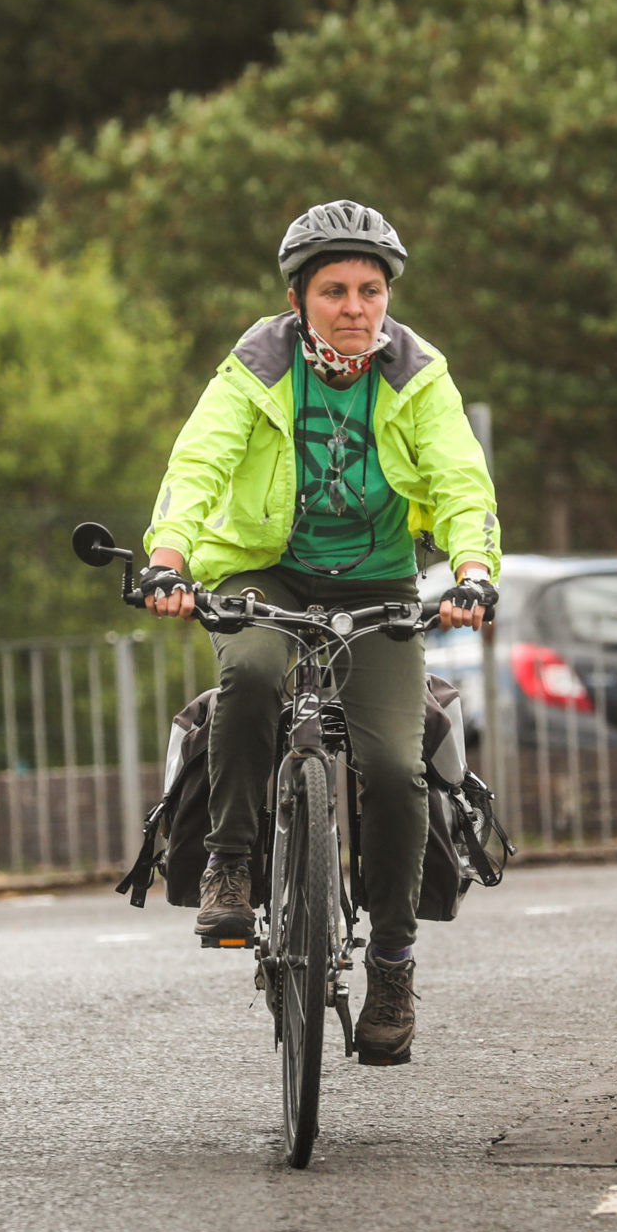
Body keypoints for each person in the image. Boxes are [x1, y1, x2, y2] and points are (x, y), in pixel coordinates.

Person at [139, 201, 501, 1066]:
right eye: (333, 289)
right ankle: (230, 859)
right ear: (298, 297)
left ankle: (392, 962)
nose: (353, 306)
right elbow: (200, 461)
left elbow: (460, 479)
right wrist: (169, 557)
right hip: (263, 571)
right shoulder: (256, 367)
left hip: (377, 584)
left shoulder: (419, 374)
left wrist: (472, 572)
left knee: (391, 766)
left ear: (387, 297)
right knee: (256, 673)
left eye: (369, 289)